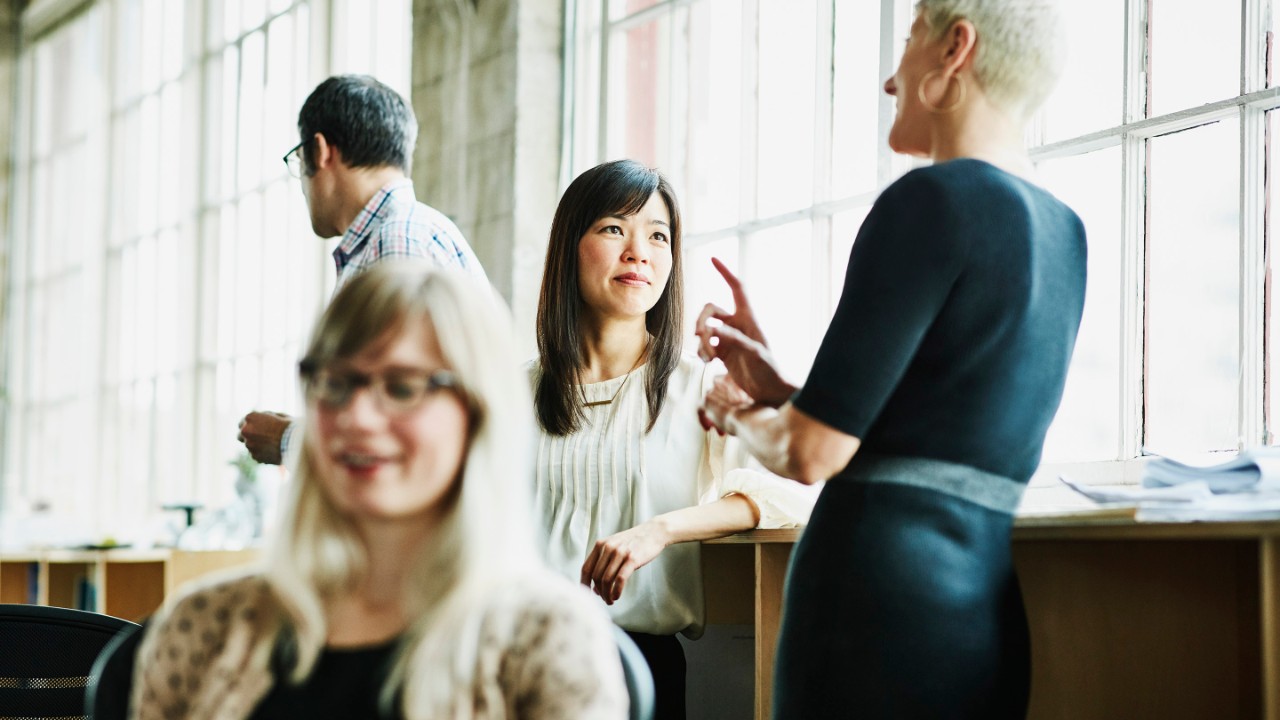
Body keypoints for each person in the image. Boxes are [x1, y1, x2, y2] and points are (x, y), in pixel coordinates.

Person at [697, 1, 1084, 717]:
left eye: (908, 41)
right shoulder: (1067, 234)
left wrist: (737, 412)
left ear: (954, 48)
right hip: (982, 612)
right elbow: (938, 427)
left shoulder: (929, 199)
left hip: (871, 604)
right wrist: (784, 389)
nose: (887, 81)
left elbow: (811, 455)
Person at [132, 263, 627, 720]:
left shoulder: (547, 640)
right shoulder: (202, 627)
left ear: (478, 415)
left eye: (402, 386)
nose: (356, 417)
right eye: (335, 381)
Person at [531, 159, 816, 720]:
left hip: (637, 668)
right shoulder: (509, 392)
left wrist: (660, 531)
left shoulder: (700, 388)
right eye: (614, 228)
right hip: (514, 658)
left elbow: (792, 493)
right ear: (569, 245)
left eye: (657, 235)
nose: (639, 251)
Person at [239, 74, 486, 466]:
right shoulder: (403, 234)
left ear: (319, 151)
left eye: (299, 162)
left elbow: (405, 416)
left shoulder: (398, 241)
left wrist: (290, 440)